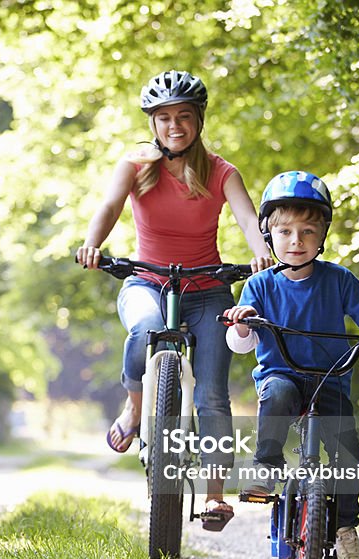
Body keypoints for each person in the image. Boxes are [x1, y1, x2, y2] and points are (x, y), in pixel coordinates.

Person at [76, 69, 273, 532]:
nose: (174, 126)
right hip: (147, 282)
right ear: (153, 124)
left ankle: (215, 497)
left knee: (212, 396)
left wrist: (261, 247)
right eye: (164, 118)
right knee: (144, 328)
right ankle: (134, 403)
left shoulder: (222, 171)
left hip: (207, 293)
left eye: (184, 116)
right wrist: (92, 243)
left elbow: (247, 217)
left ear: (198, 120)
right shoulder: (137, 165)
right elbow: (108, 207)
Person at [223, 170, 359, 559]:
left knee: (348, 452)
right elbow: (241, 343)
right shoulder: (259, 285)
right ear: (268, 234)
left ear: (323, 234)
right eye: (286, 231)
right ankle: (266, 467)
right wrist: (244, 321)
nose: (297, 241)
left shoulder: (338, 279)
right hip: (283, 375)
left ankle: (346, 528)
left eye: (308, 231)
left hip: (330, 379)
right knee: (276, 395)